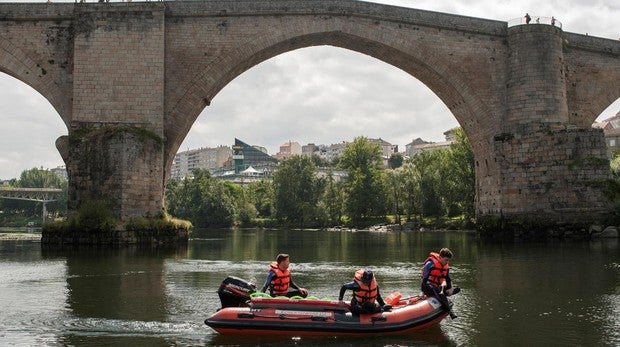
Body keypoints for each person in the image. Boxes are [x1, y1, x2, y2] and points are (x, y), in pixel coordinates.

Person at [421, 248, 460, 319]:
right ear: (440, 257)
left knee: (457, 288)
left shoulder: (446, 266)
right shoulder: (430, 264)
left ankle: (443, 295)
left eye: (448, 260)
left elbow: (448, 279)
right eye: (446, 260)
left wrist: (450, 288)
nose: (447, 262)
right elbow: (424, 280)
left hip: (438, 287)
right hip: (428, 287)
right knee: (437, 290)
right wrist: (423, 292)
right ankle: (450, 311)